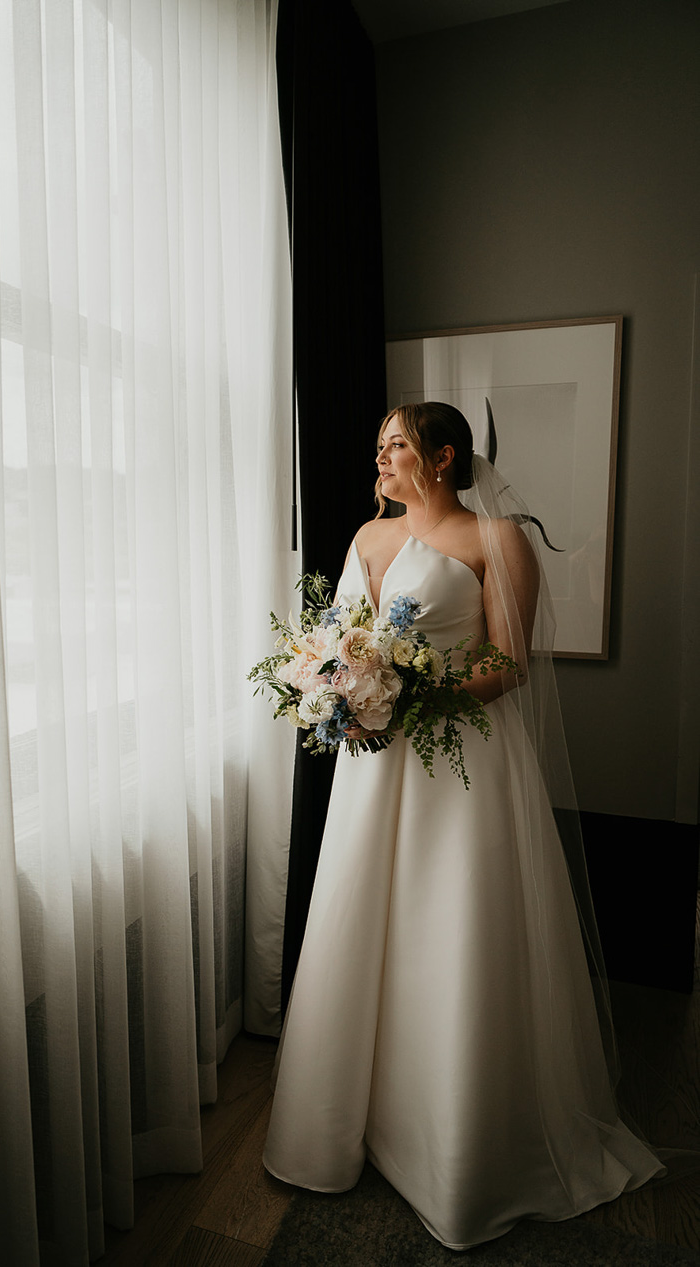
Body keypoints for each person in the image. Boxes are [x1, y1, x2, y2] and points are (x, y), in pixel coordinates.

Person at [262, 402, 663, 1250]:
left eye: (395, 444)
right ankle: (352, 1120)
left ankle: (462, 1143)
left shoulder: (495, 540)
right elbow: (340, 638)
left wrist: (413, 693)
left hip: (464, 762)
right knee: (365, 923)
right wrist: (337, 686)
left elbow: (506, 662)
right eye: (377, 445)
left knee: (451, 930)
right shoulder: (367, 542)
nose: (380, 458)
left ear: (442, 458)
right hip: (375, 770)